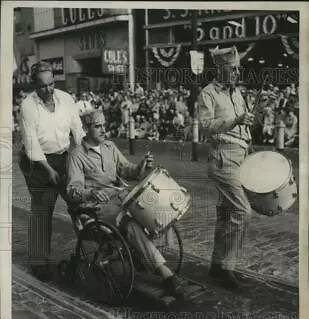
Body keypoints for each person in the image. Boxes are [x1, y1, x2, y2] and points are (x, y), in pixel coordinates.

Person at [65, 110, 184, 298]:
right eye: (98, 126)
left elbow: (127, 170)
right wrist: (92, 192)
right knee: (130, 223)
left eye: (104, 125)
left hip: (121, 197)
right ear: (86, 129)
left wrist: (142, 165)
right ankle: (165, 273)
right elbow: (72, 190)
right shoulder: (76, 156)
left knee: (151, 207)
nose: (104, 130)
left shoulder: (110, 147)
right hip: (97, 208)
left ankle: (145, 254)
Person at [18, 61, 85, 280]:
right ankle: (39, 262)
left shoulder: (65, 99)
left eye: (51, 83)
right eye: (43, 86)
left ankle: (89, 251)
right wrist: (47, 170)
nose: (49, 89)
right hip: (37, 163)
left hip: (63, 155)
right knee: (42, 209)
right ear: (34, 86)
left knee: (78, 202)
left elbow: (78, 130)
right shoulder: (28, 106)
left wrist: (83, 156)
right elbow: (31, 144)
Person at [198, 46, 255, 289]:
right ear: (219, 69)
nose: (236, 73)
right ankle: (228, 268)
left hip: (240, 157)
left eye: (238, 69)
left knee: (226, 215)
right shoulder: (208, 93)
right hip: (223, 158)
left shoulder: (237, 93)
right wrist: (236, 120)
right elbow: (205, 125)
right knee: (242, 212)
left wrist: (249, 126)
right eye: (232, 69)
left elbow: (244, 125)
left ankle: (217, 266)